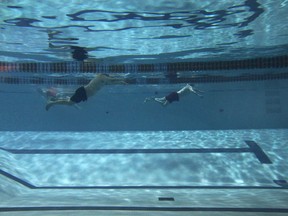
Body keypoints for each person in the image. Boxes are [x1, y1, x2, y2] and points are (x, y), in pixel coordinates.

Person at [45, 74, 127, 111]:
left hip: (83, 93)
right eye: (110, 75)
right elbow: (111, 80)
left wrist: (121, 82)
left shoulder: (103, 80)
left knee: (70, 101)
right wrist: (121, 79)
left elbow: (111, 82)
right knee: (70, 103)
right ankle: (51, 103)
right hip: (83, 92)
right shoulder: (102, 77)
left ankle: (54, 100)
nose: (111, 77)